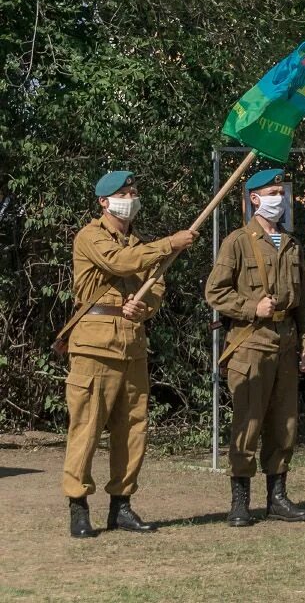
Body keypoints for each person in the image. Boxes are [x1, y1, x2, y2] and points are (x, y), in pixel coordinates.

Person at [61, 170, 197, 538]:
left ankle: (121, 506)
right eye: (123, 192)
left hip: (132, 346)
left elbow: (155, 288)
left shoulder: (141, 244)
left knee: (133, 430)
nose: (131, 196)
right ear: (104, 202)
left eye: (134, 191)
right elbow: (119, 264)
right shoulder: (90, 236)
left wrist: (145, 308)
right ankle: (78, 506)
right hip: (94, 346)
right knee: (86, 429)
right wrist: (172, 242)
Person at [203, 168, 305, 526]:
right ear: (254, 199)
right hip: (250, 344)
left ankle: (277, 498)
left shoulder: (293, 243)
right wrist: (253, 307)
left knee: (284, 424)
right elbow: (215, 291)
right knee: (247, 423)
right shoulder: (238, 241)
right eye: (271, 192)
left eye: (281, 192)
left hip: (285, 342)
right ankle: (240, 501)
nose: (278, 199)